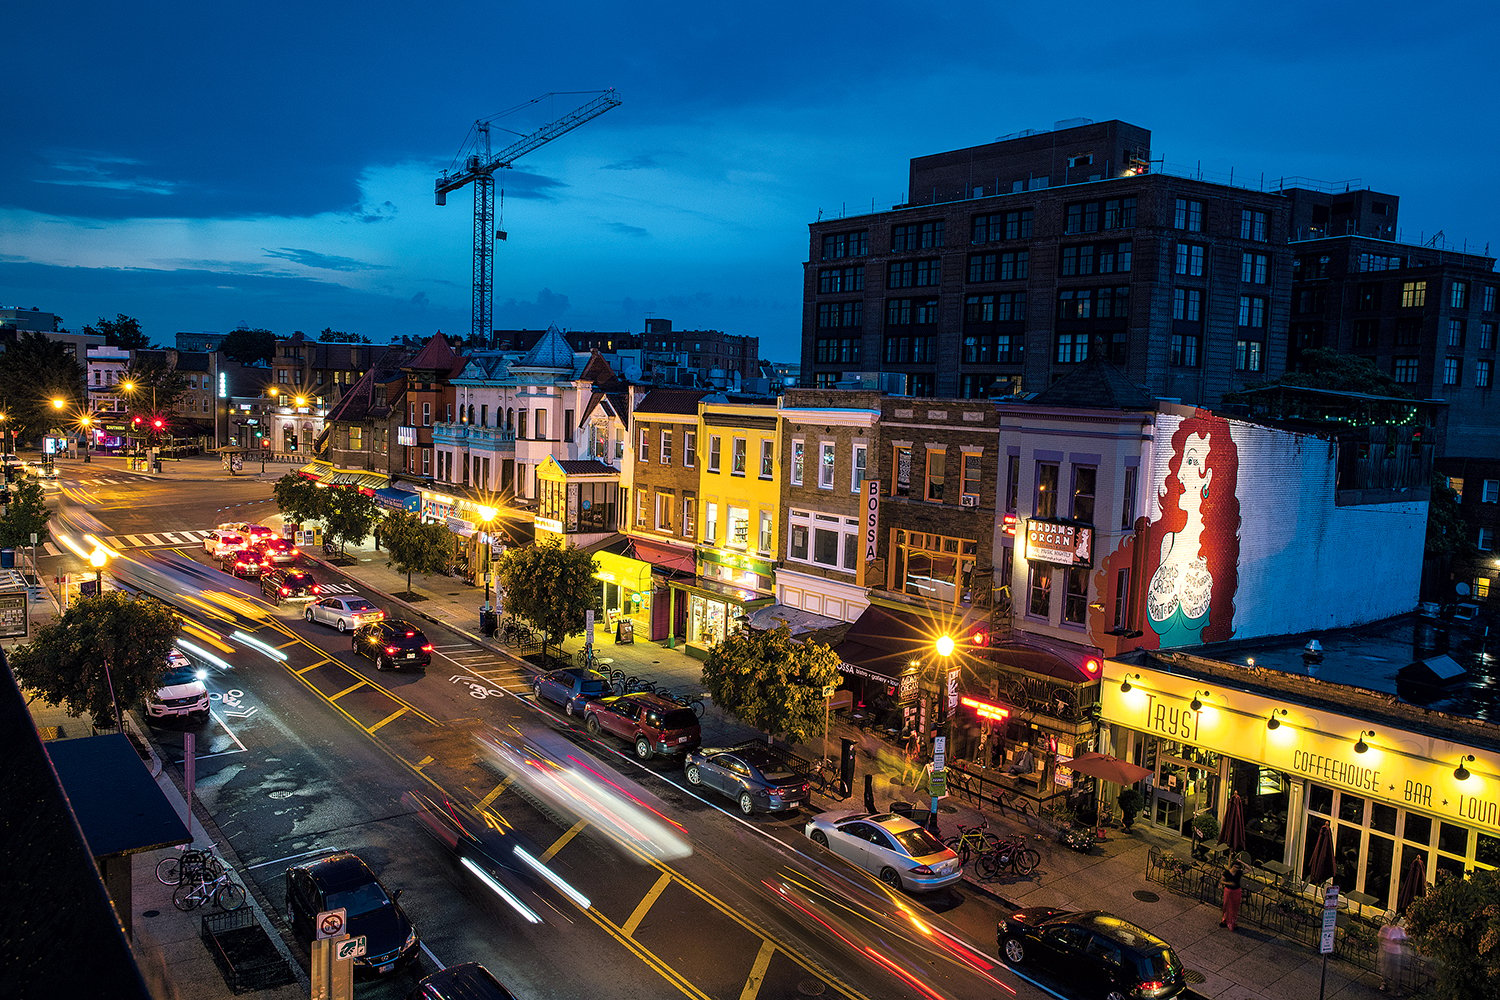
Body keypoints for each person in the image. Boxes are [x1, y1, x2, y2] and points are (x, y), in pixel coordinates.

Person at [1378, 919, 1408, 993]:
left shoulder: (1399, 930)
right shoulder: (1385, 928)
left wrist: (1400, 942)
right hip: (1387, 951)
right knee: (1385, 969)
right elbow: (1380, 938)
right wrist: (1381, 947)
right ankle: (1385, 983)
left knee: (1396, 971)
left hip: (1396, 952)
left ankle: (1397, 987)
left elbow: (1404, 939)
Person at [1219, 859, 1245, 930]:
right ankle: (1224, 920)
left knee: (1234, 907)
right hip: (1228, 891)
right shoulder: (1226, 872)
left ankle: (1232, 922)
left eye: (1238, 868)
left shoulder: (1239, 873)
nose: (1236, 869)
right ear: (1232, 866)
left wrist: (1241, 861)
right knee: (1226, 905)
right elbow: (1221, 881)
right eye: (1235, 867)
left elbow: (1249, 869)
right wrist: (1228, 883)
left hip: (1236, 891)